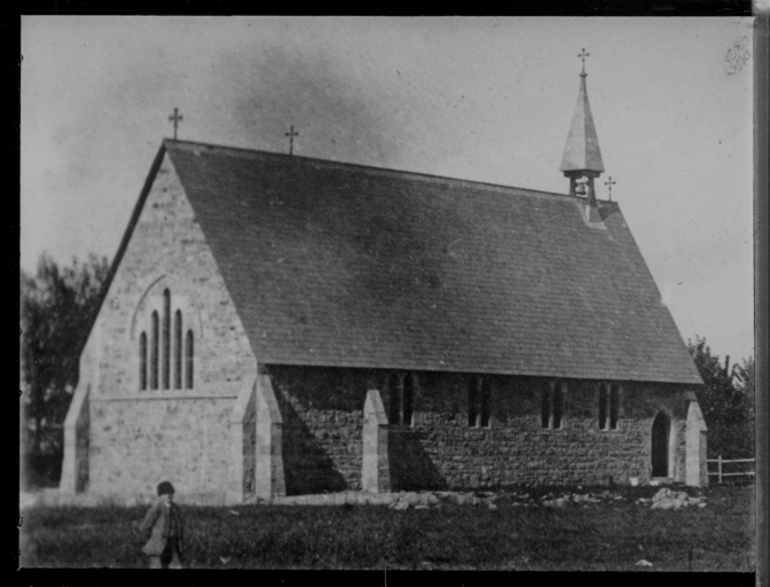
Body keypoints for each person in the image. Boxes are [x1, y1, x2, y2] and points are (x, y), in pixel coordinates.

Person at [135, 481, 185, 568]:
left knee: (177, 566)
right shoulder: (157, 508)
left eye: (170, 493)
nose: (168, 495)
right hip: (158, 544)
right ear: (160, 495)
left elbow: (180, 525)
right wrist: (143, 532)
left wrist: (180, 539)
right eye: (165, 493)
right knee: (157, 565)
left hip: (173, 544)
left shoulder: (176, 509)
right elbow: (147, 523)